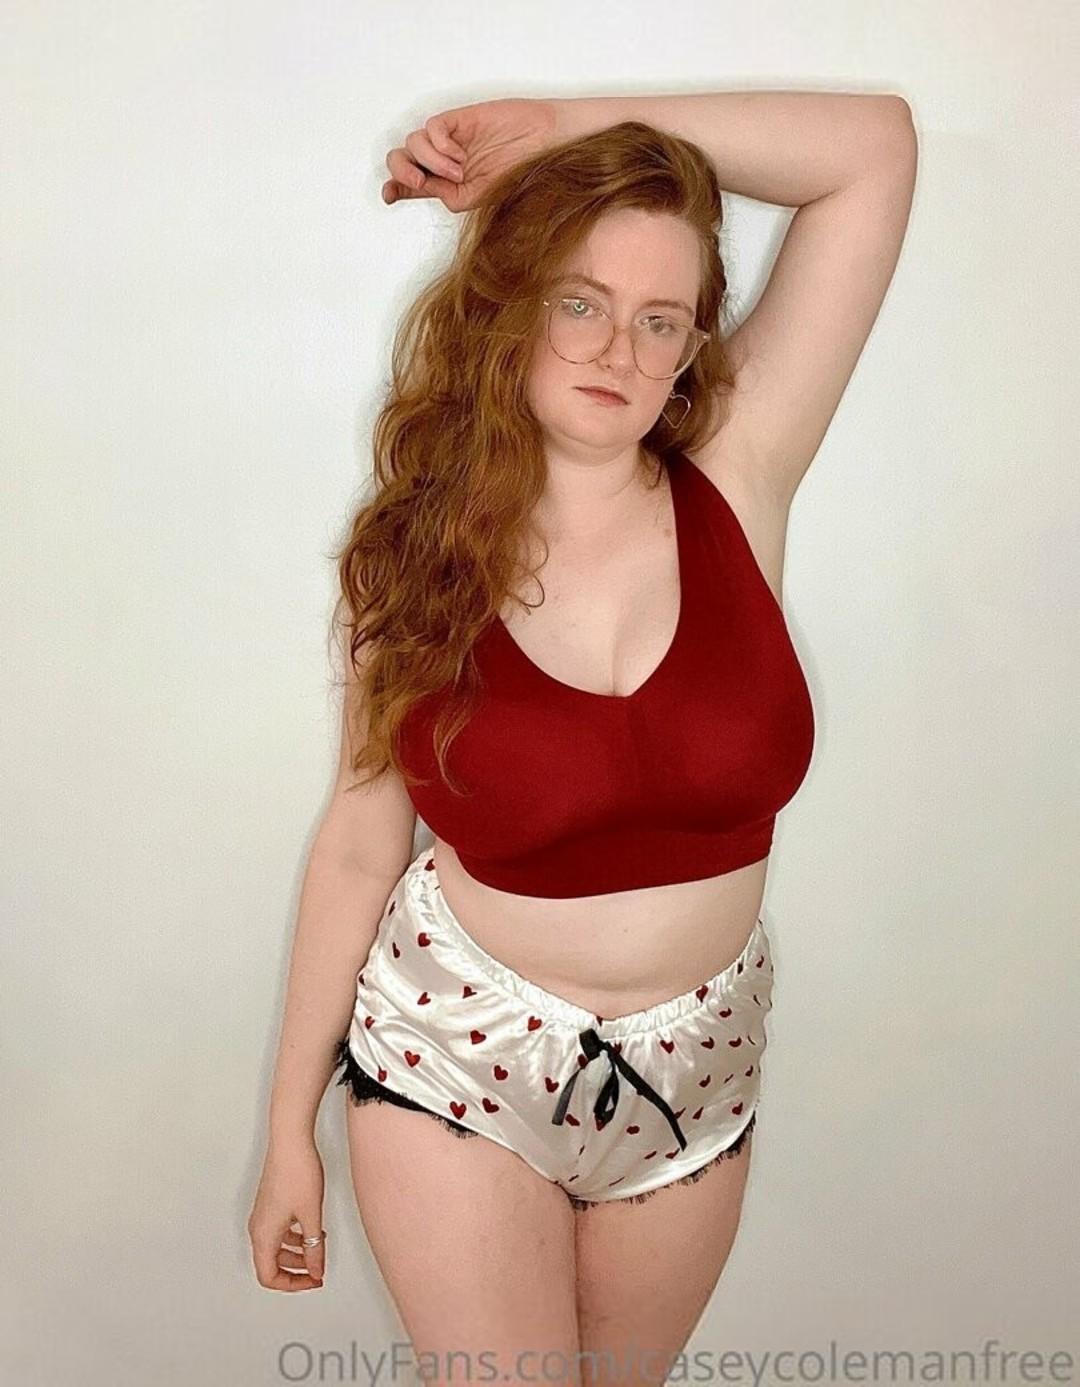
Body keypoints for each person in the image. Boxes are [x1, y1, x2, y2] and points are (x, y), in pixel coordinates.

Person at [249, 91, 917, 1385]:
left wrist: (572, 126)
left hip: (698, 1072)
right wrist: (289, 1131)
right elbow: (360, 845)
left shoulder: (739, 473)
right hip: (459, 1060)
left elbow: (872, 152)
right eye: (581, 301)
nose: (619, 346)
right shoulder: (415, 559)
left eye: (661, 318)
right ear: (513, 307)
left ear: (691, 346)